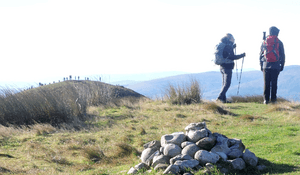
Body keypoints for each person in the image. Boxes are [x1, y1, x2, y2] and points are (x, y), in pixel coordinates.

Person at [217, 33, 246, 103]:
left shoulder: (224, 45)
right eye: (233, 38)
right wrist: (242, 55)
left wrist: (232, 47)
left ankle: (223, 100)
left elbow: (226, 54)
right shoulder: (228, 46)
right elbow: (232, 57)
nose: (234, 39)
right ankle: (220, 97)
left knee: (224, 84)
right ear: (229, 38)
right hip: (227, 66)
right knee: (227, 84)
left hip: (222, 66)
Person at [260, 26, 285, 104]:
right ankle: (273, 100)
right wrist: (282, 65)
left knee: (266, 83)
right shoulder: (279, 42)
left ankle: (266, 100)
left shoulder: (264, 42)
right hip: (276, 65)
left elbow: (260, 54)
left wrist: (261, 65)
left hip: (265, 65)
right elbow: (282, 55)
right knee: (274, 83)